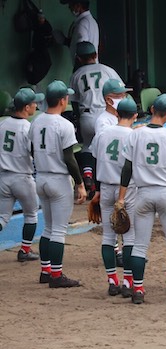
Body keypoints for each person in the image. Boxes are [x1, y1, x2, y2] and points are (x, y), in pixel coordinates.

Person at [117, 94, 166, 304]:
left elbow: (127, 169)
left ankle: (138, 289)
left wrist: (121, 197)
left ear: (151, 110)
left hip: (143, 194)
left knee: (139, 246)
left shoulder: (136, 135)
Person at [29, 80, 87, 287]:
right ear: (63, 100)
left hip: (41, 177)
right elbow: (70, 158)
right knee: (59, 231)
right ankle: (56, 275)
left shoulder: (36, 121)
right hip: (58, 180)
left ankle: (46, 271)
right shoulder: (64, 124)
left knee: (49, 228)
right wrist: (80, 183)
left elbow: (31, 149)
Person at [90, 98, 138, 297]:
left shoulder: (102, 134)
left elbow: (94, 160)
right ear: (135, 116)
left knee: (108, 237)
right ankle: (127, 281)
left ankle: (112, 280)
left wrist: (97, 190)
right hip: (125, 191)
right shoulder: (134, 136)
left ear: (117, 114)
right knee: (129, 237)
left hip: (106, 188)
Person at [69, 41, 123, 199]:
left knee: (87, 147)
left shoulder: (77, 74)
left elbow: (74, 101)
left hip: (87, 113)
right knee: (106, 149)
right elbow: (120, 91)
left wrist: (79, 118)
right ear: (96, 55)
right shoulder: (107, 70)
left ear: (79, 58)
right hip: (106, 112)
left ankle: (87, 174)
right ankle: (100, 185)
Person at [0, 88, 44, 262]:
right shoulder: (28, 127)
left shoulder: (2, 124)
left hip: (3, 178)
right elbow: (36, 154)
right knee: (31, 214)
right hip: (22, 178)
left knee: (2, 217)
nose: (36, 105)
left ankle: (25, 250)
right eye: (34, 103)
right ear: (26, 107)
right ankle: (25, 250)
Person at [57, 0, 99, 68]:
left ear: (78, 6)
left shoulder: (82, 23)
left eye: (71, 5)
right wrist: (66, 41)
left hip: (84, 67)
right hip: (91, 66)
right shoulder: (91, 21)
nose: (69, 7)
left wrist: (78, 70)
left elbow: (83, 50)